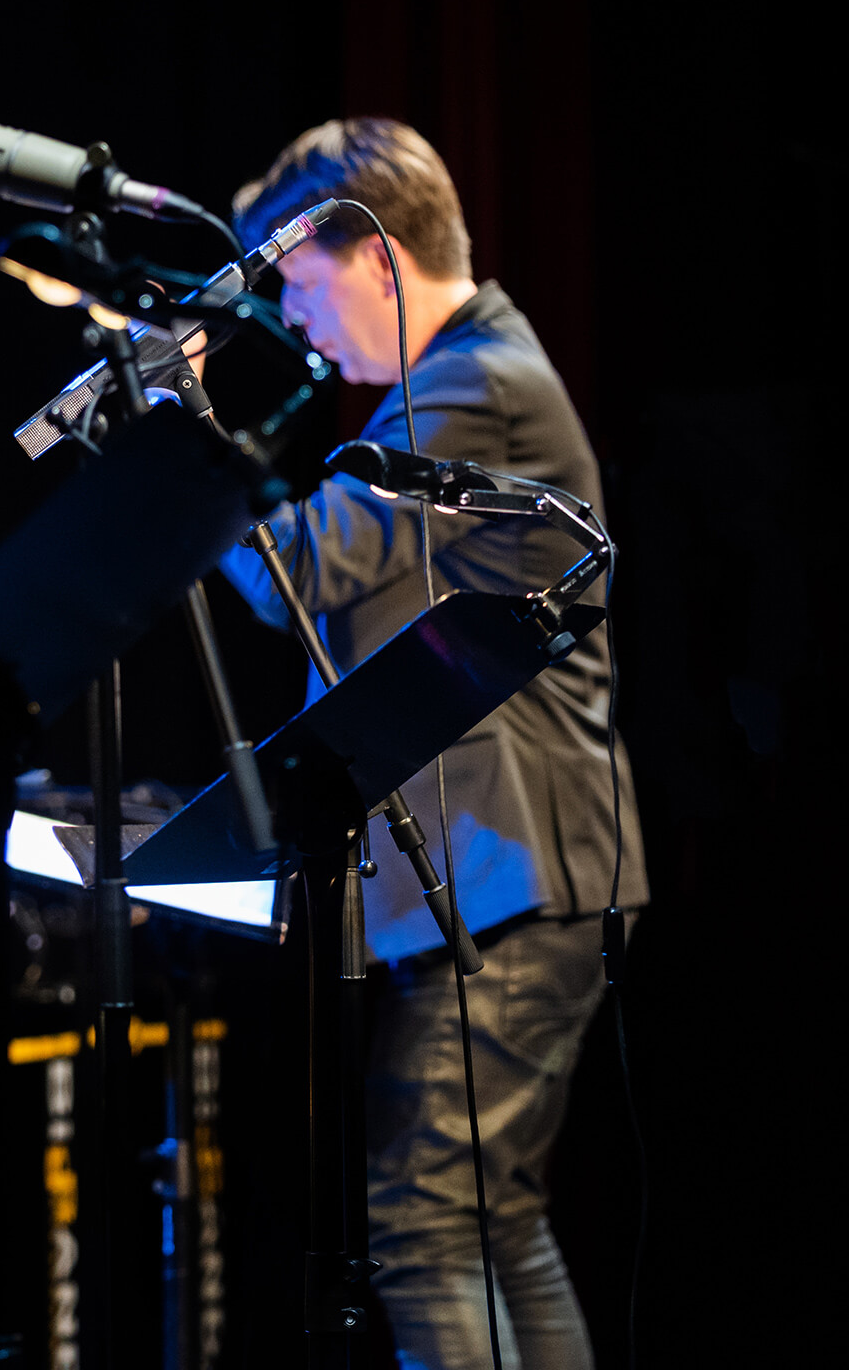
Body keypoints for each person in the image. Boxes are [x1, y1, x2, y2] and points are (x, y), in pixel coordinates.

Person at [214, 119, 649, 1369]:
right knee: (494, 1227)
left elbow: (302, 565)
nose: (299, 326)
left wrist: (166, 436)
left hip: (512, 881)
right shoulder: (470, 374)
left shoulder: (475, 386)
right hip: (508, 880)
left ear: (376, 255)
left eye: (300, 286)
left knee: (423, 1225)